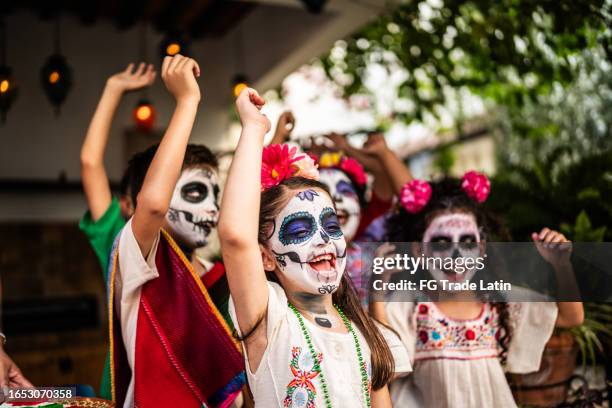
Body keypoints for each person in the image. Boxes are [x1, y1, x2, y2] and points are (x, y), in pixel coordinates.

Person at [219, 87, 405, 407]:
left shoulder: (370, 335)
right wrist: (253, 128)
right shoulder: (270, 320)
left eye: (331, 226)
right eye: (300, 230)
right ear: (265, 257)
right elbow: (236, 236)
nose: (323, 239)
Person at [374, 173, 584, 408]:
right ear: (418, 251)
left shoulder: (498, 300)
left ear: (481, 248)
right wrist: (377, 292)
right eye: (441, 243)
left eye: (467, 242)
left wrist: (562, 265)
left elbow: (571, 317)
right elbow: (386, 365)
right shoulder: (410, 305)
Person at [108, 55, 244, 407]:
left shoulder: (221, 274)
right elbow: (153, 205)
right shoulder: (138, 257)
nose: (212, 207)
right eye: (196, 192)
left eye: (214, 194)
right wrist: (187, 100)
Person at [79, 62, 155, 400]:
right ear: (126, 204)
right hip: (125, 387)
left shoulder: (185, 249)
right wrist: (113, 87)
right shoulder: (117, 239)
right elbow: (90, 163)